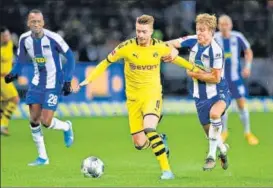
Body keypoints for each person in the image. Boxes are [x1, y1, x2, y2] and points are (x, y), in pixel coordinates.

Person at [75, 14, 201, 179]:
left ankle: (167, 171)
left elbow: (178, 60)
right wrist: (88, 79)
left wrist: (198, 69)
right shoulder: (126, 47)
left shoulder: (160, 47)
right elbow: (106, 62)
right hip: (133, 100)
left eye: (144, 31)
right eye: (138, 31)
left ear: (151, 32)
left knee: (149, 128)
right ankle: (160, 140)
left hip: (152, 95)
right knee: (140, 143)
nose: (140, 35)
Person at [4, 9, 75, 166]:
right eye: (32, 21)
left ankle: (66, 126)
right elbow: (21, 61)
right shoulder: (24, 39)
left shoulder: (53, 38)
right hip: (37, 83)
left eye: (38, 21)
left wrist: (68, 81)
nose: (36, 24)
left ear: (43, 23)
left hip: (54, 82)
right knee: (34, 120)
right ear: (28, 23)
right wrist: (13, 74)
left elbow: (70, 57)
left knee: (46, 121)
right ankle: (43, 157)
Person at [164, 13, 230, 171]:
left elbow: (215, 78)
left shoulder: (216, 50)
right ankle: (223, 150)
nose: (199, 33)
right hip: (200, 95)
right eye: (198, 29)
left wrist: (193, 73)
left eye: (203, 30)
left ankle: (211, 157)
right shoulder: (192, 40)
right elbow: (169, 44)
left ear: (211, 32)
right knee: (210, 134)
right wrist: (170, 51)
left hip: (218, 92)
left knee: (215, 115)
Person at [214, 15, 259, 145]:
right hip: (221, 79)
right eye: (222, 24)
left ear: (231, 25)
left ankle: (248, 132)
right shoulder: (215, 38)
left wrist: (248, 67)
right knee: (223, 106)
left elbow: (248, 51)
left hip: (236, 78)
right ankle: (224, 132)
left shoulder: (237, 36)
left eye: (226, 24)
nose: (224, 27)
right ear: (218, 26)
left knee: (241, 104)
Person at [0, 27, 20, 135]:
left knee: (4, 102)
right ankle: (3, 124)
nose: (7, 37)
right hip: (1, 79)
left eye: (8, 35)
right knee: (15, 99)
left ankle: (2, 124)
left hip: (7, 78)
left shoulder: (10, 44)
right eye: (5, 36)